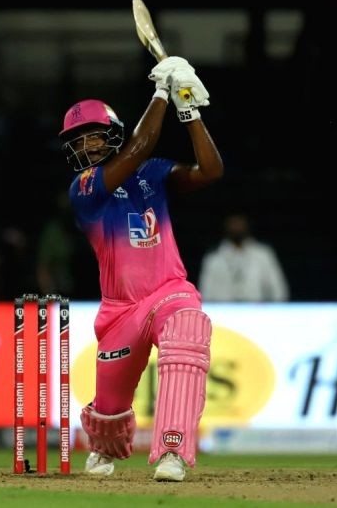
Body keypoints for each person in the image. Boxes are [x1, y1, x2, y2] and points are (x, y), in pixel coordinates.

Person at [58, 56, 223, 481]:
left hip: (169, 290)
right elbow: (140, 145)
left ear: (112, 134)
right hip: (120, 311)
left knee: (188, 328)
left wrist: (189, 111)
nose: (89, 145)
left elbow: (210, 170)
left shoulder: (151, 173)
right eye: (79, 140)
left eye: (95, 136)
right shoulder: (84, 189)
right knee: (108, 416)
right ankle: (105, 448)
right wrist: (162, 92)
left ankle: (172, 451)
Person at [198, 213, 289, 302]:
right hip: (224, 312)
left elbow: (277, 288)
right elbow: (205, 291)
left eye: (239, 222)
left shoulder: (263, 254)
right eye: (233, 223)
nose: (236, 227)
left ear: (247, 224)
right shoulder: (214, 257)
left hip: (257, 311)